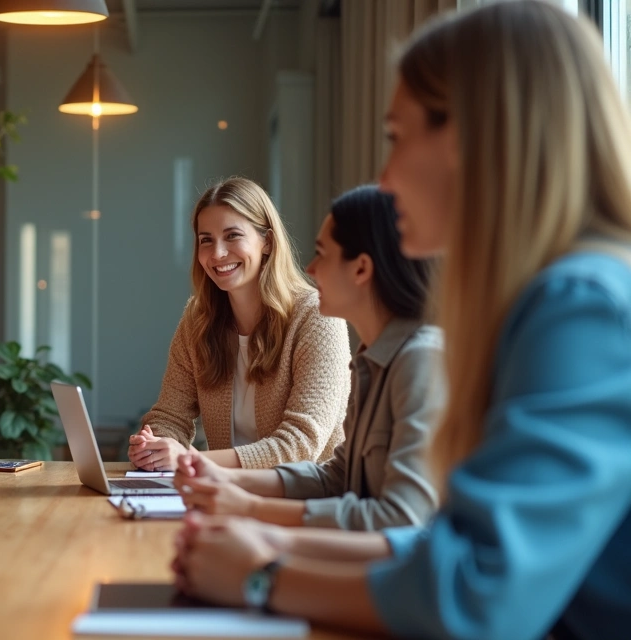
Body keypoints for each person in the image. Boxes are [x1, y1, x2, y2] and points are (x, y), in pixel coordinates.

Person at [171, 3, 631, 639]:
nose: (385, 177)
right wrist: (260, 539)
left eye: (397, 136)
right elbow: (443, 546)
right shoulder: (557, 299)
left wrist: (263, 577)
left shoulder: (581, 307)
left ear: (480, 134)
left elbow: (478, 592)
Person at [175, 185, 441, 530]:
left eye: (322, 254)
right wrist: (221, 478)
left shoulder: (420, 362)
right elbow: (336, 479)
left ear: (361, 269)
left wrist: (249, 506)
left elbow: (402, 520)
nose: (311, 270)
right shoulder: (372, 361)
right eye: (205, 239)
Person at [128, 177, 351, 471]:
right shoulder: (198, 319)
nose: (217, 253)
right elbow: (169, 416)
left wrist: (188, 459)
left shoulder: (318, 316)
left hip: (306, 504)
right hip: (227, 495)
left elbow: (301, 444)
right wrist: (153, 445)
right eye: (206, 240)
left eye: (232, 236)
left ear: (267, 242)